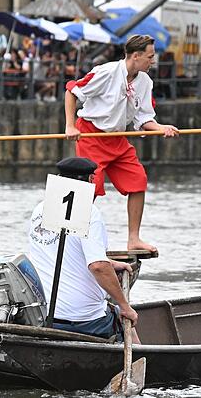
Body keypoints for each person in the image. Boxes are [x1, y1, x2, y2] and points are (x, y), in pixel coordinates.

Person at [64, 35, 179, 253]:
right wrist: (70, 126)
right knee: (90, 189)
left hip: (117, 138)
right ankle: (72, 241)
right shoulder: (105, 72)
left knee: (138, 180)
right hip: (92, 136)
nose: (152, 61)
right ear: (135, 56)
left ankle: (134, 239)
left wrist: (162, 128)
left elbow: (145, 118)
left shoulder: (145, 81)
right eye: (150, 57)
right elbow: (72, 91)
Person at [28, 156, 138, 340]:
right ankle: (147, 362)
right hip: (85, 320)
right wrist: (125, 306)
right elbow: (98, 267)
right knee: (128, 323)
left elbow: (62, 251)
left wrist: (108, 262)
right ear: (90, 181)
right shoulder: (89, 212)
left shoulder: (40, 209)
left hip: (45, 314)